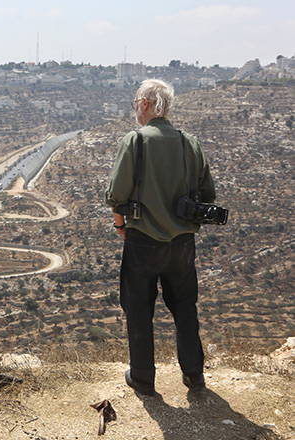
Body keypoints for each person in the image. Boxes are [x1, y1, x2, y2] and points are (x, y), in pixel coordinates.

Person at [104, 79, 217, 396]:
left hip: (142, 242)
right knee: (185, 307)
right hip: (182, 245)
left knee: (139, 308)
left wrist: (119, 227)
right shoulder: (188, 143)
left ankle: (142, 377)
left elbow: (116, 194)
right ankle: (194, 375)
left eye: (134, 104)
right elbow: (207, 194)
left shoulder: (135, 141)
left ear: (144, 104)